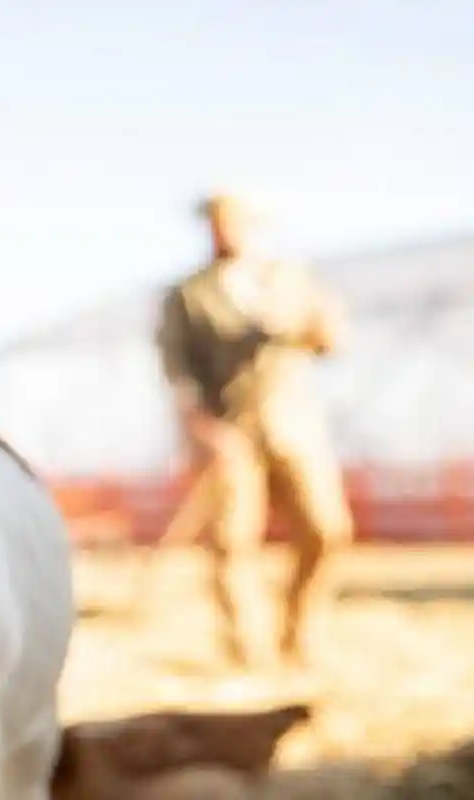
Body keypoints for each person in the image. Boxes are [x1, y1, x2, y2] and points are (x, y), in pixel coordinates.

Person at [154, 191, 354, 669]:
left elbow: (332, 342)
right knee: (231, 543)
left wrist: (315, 326)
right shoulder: (188, 295)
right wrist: (203, 429)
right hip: (227, 433)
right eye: (219, 222)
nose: (227, 231)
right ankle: (246, 652)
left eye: (237, 221)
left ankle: (299, 629)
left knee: (326, 530)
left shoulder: (291, 280)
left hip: (293, 424)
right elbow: (177, 372)